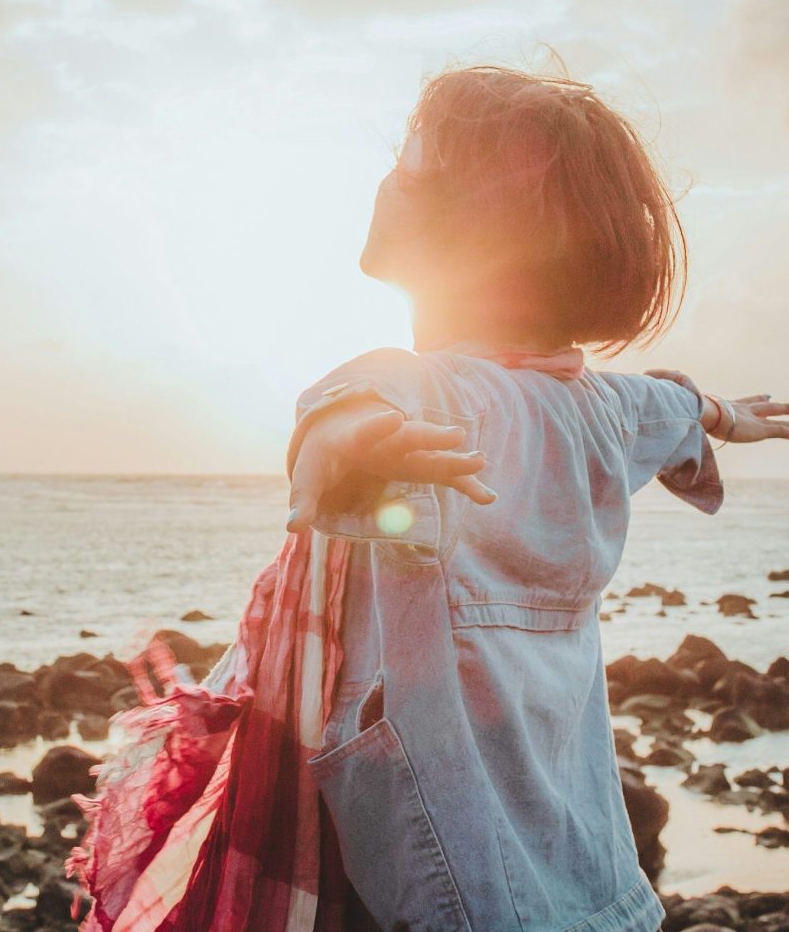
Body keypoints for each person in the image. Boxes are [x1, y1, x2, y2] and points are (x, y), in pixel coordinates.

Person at [281, 63, 789, 932]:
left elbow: (345, 419)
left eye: (410, 159)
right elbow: (671, 407)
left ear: (478, 222)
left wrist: (354, 452)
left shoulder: (421, 391)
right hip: (580, 870)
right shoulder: (600, 404)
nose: (385, 176)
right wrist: (727, 415)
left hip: (434, 870)